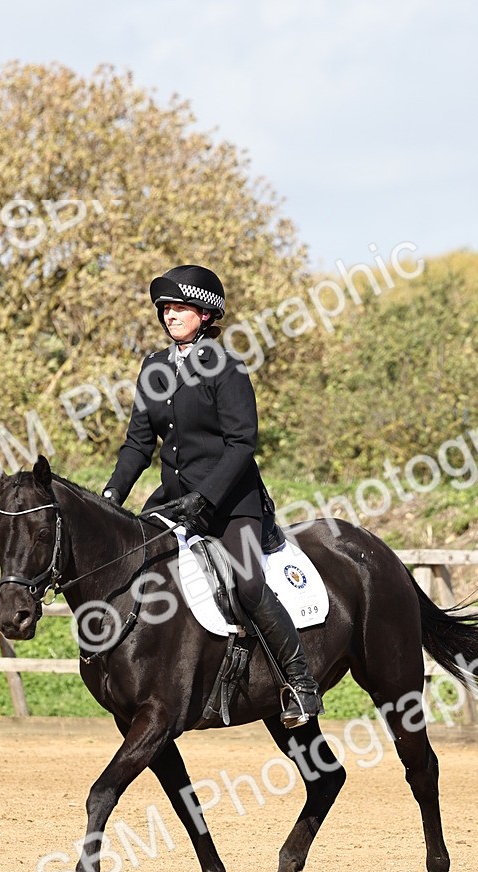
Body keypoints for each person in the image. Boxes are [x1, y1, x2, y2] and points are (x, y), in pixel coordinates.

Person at [102, 263, 323, 728]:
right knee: (136, 563)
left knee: (246, 583)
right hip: (173, 500)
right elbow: (139, 443)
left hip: (232, 503)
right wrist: (112, 494)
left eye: (180, 307)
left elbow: (243, 441)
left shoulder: (225, 365)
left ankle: (301, 685)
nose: (170, 314)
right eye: (166, 307)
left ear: (205, 314)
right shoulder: (155, 367)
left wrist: (206, 498)